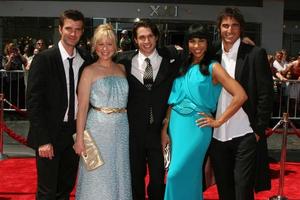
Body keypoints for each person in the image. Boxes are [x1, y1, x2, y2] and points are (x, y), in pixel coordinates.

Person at [161, 24, 247, 200]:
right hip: (176, 125)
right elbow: (173, 99)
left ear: (208, 43)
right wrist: (165, 128)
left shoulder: (213, 67)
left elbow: (240, 95)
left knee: (175, 174)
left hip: (197, 127)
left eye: (201, 41)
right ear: (187, 44)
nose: (197, 45)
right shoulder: (182, 65)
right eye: (192, 41)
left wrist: (218, 121)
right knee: (190, 177)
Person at [209, 7, 274, 200]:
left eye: (234, 25)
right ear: (219, 28)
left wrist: (258, 130)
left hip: (245, 133)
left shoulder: (254, 54)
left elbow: (266, 94)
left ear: (241, 28)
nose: (230, 30)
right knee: (224, 190)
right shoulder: (211, 53)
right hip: (217, 134)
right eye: (225, 25)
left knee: (243, 190)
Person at [26, 9, 91, 200]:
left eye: (78, 29)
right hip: (50, 133)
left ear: (82, 31)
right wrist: (43, 139)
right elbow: (34, 102)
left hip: (73, 133)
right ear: (60, 29)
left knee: (65, 187)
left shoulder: (85, 59)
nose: (73, 33)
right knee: (47, 191)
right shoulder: (44, 59)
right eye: (69, 28)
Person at [115, 20, 182, 200]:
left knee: (158, 179)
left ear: (157, 37)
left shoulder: (171, 59)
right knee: (135, 177)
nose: (146, 41)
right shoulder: (123, 60)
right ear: (135, 40)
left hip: (159, 130)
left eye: (150, 36)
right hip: (133, 130)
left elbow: (200, 51)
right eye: (142, 37)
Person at [73, 24, 132, 200]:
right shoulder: (89, 71)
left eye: (109, 44)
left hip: (121, 127)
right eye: (100, 44)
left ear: (115, 46)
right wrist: (80, 139)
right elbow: (82, 108)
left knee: (119, 171)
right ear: (94, 46)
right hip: (97, 129)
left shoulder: (121, 68)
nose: (105, 49)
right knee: (97, 175)